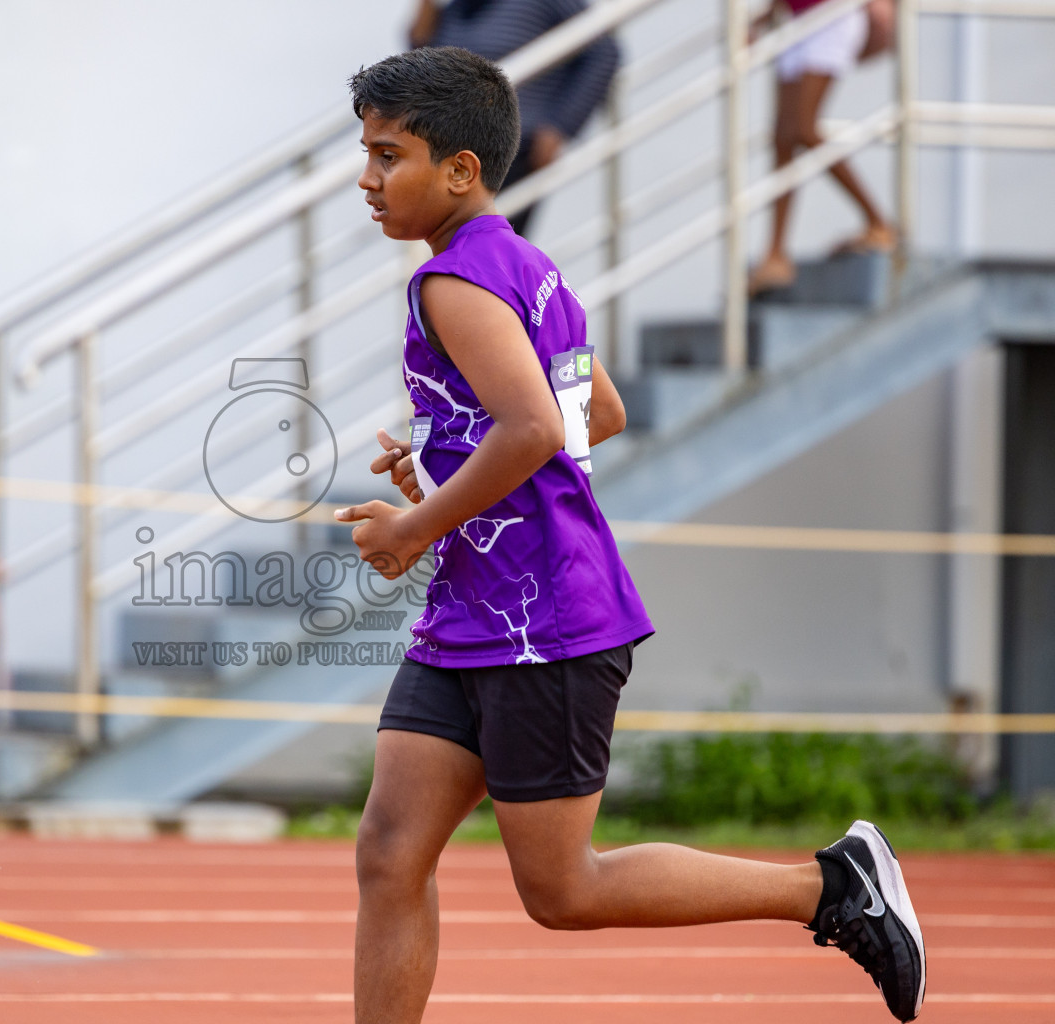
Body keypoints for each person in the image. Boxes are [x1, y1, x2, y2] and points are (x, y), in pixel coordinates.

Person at [334, 47, 926, 1023]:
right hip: (479, 614)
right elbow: (594, 413)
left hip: (547, 623)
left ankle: (829, 887)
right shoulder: (523, 262)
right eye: (365, 153)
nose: (366, 178)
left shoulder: (451, 282)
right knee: (389, 851)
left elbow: (534, 428)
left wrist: (416, 525)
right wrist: (444, 465)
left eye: (386, 155)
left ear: (460, 170)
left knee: (565, 891)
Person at [408, 0, 620, 237]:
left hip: (513, 147)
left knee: (480, 247)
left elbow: (603, 51)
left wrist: (560, 125)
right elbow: (420, 58)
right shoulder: (457, 10)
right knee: (460, 249)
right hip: (453, 147)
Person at [748, 0, 898, 294]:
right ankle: (775, 253)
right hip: (795, 18)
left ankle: (879, 222)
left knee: (803, 128)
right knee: (783, 137)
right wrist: (765, 17)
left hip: (832, 15)